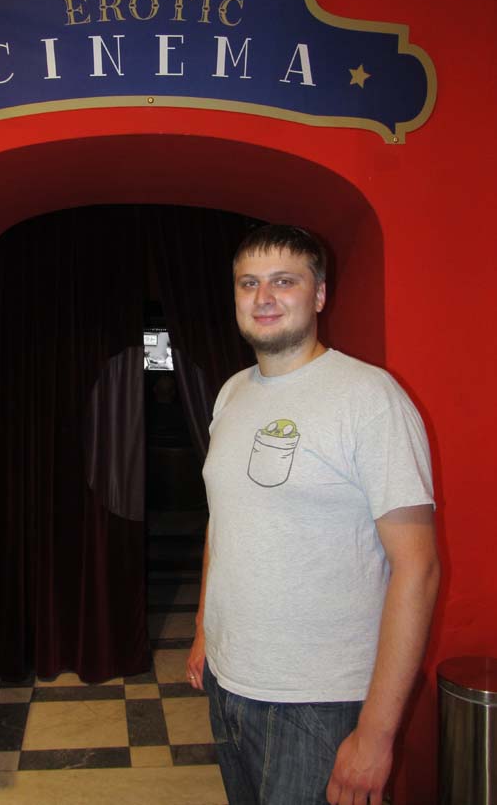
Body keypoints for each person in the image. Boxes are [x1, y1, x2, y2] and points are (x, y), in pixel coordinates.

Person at [186, 224, 440, 805]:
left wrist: (376, 735)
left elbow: (418, 568)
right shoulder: (231, 393)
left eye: (284, 281)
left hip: (321, 702)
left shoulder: (370, 398)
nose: (263, 297)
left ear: (319, 294)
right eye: (248, 283)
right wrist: (205, 630)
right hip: (228, 682)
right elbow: (224, 523)